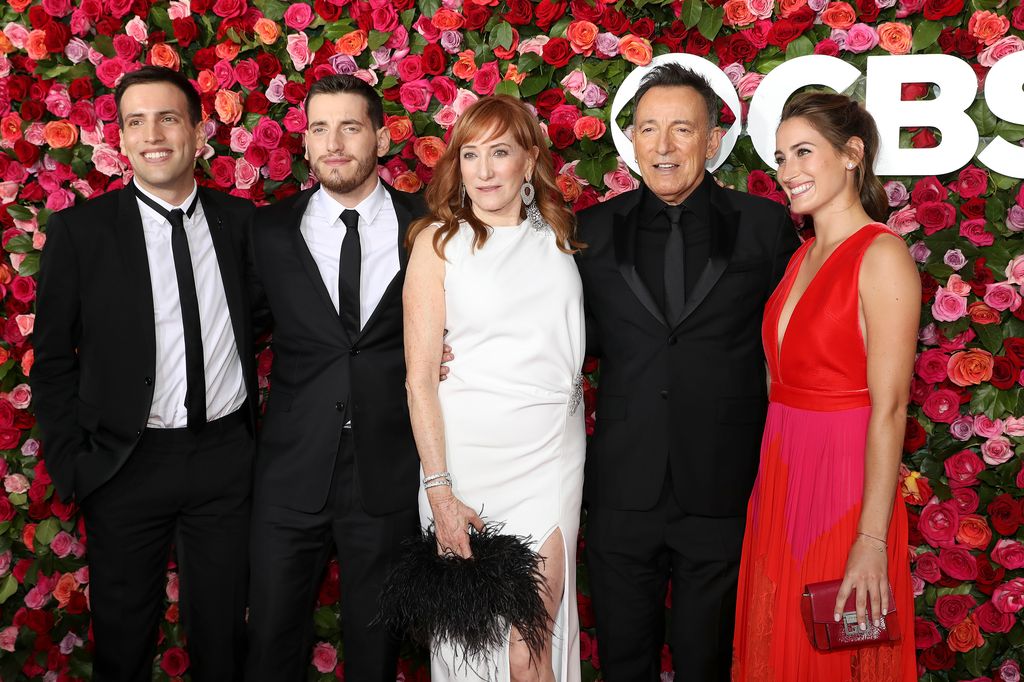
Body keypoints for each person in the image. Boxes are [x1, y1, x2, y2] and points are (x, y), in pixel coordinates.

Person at [574, 64, 801, 681]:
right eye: (649, 129)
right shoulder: (590, 232)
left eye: (681, 128)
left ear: (712, 139)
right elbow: (557, 337)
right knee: (623, 661)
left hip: (722, 486)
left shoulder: (765, 226)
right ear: (633, 140)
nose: (664, 145)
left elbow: (795, 343)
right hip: (623, 486)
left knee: (708, 662)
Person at [32, 66, 257, 681]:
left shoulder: (242, 225)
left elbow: (289, 320)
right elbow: (51, 361)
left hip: (223, 463)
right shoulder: (81, 232)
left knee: (223, 644)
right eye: (136, 121)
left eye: (168, 117)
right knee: (123, 645)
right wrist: (73, 464)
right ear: (122, 139)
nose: (152, 134)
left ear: (198, 131)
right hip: (126, 466)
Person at [244, 74, 426, 682]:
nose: (335, 142)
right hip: (291, 471)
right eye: (320, 128)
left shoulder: (428, 227)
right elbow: (237, 335)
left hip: (389, 470)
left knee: (376, 650)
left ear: (380, 135)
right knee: (271, 640)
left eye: (350, 126)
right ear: (305, 141)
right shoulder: (268, 232)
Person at [732, 92, 918, 680]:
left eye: (804, 152)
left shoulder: (882, 255)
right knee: (782, 640)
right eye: (781, 157)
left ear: (852, 154)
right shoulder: (802, 255)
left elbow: (889, 410)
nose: (787, 172)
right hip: (783, 475)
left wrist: (871, 538)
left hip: (845, 484)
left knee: (833, 650)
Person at [404, 94, 586, 682]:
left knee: (528, 650)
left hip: (548, 462)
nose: (483, 170)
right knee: (471, 648)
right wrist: (439, 491)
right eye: (470, 154)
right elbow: (419, 378)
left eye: (500, 152)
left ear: (528, 160)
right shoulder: (436, 244)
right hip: (465, 466)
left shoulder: (560, 238)